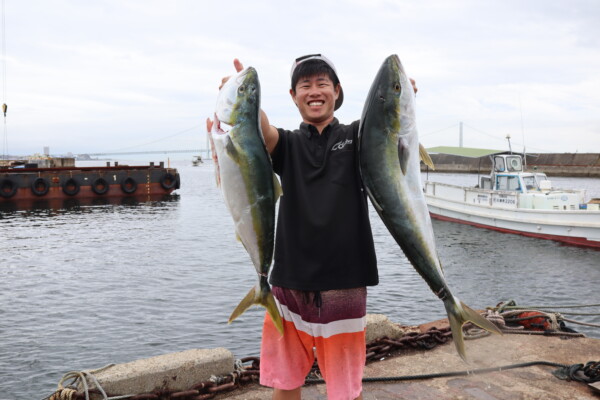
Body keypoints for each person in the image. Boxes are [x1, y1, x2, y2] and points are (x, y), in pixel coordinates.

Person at [207, 55, 417, 400]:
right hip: (289, 283)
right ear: (293, 95)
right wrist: (237, 95)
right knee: (285, 381)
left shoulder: (358, 138)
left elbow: (387, 129)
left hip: (345, 282)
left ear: (337, 91)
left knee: (345, 389)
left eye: (322, 84)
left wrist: (402, 97)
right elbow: (259, 129)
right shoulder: (287, 144)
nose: (314, 91)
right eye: (305, 85)